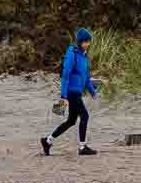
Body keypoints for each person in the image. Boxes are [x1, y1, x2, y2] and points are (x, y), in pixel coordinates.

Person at [41, 28, 99, 156]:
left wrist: (92, 91)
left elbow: (86, 77)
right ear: (79, 42)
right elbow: (65, 76)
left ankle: (48, 141)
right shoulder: (72, 54)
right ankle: (82, 147)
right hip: (71, 92)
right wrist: (63, 96)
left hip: (77, 92)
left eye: (88, 42)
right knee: (85, 116)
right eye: (85, 42)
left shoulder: (84, 57)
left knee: (71, 121)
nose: (87, 44)